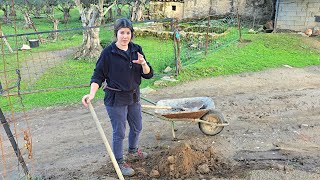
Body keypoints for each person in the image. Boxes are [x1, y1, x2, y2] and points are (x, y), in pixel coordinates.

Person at [82, 18, 153, 176]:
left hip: (134, 96)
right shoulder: (108, 52)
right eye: (122, 33)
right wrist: (92, 94)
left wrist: (143, 63)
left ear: (131, 34)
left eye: (128, 33)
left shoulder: (136, 49)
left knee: (137, 126)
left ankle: (133, 151)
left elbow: (148, 74)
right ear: (116, 34)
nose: (125, 36)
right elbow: (97, 76)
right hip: (116, 99)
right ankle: (119, 161)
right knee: (119, 131)